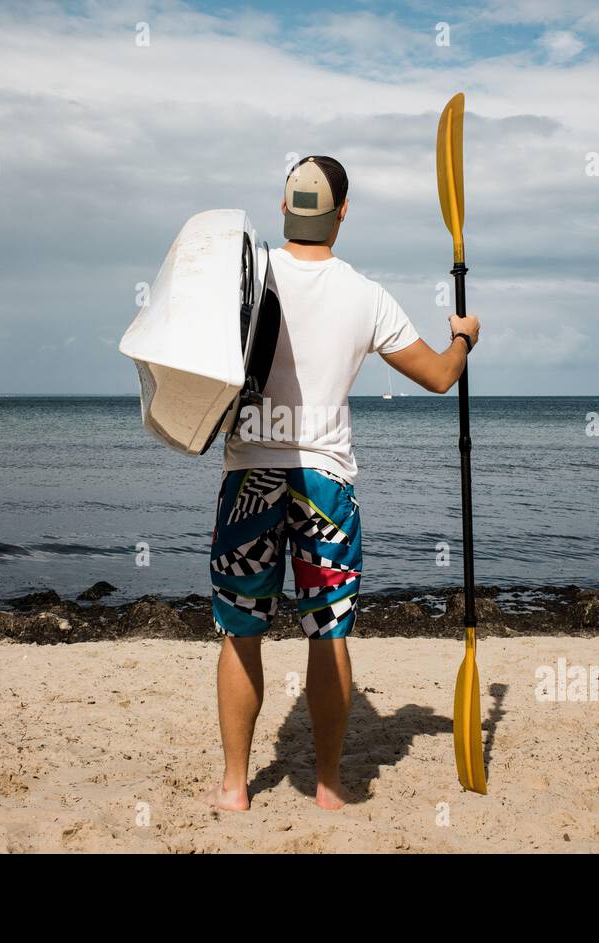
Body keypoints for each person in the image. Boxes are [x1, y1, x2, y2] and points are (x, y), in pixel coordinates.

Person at [206, 155, 481, 811]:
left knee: (241, 630)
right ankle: (329, 786)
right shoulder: (366, 294)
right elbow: (441, 376)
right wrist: (464, 338)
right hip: (325, 482)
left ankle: (235, 786)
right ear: (344, 212)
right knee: (327, 632)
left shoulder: (246, 279)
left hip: (250, 476)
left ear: (283, 210)